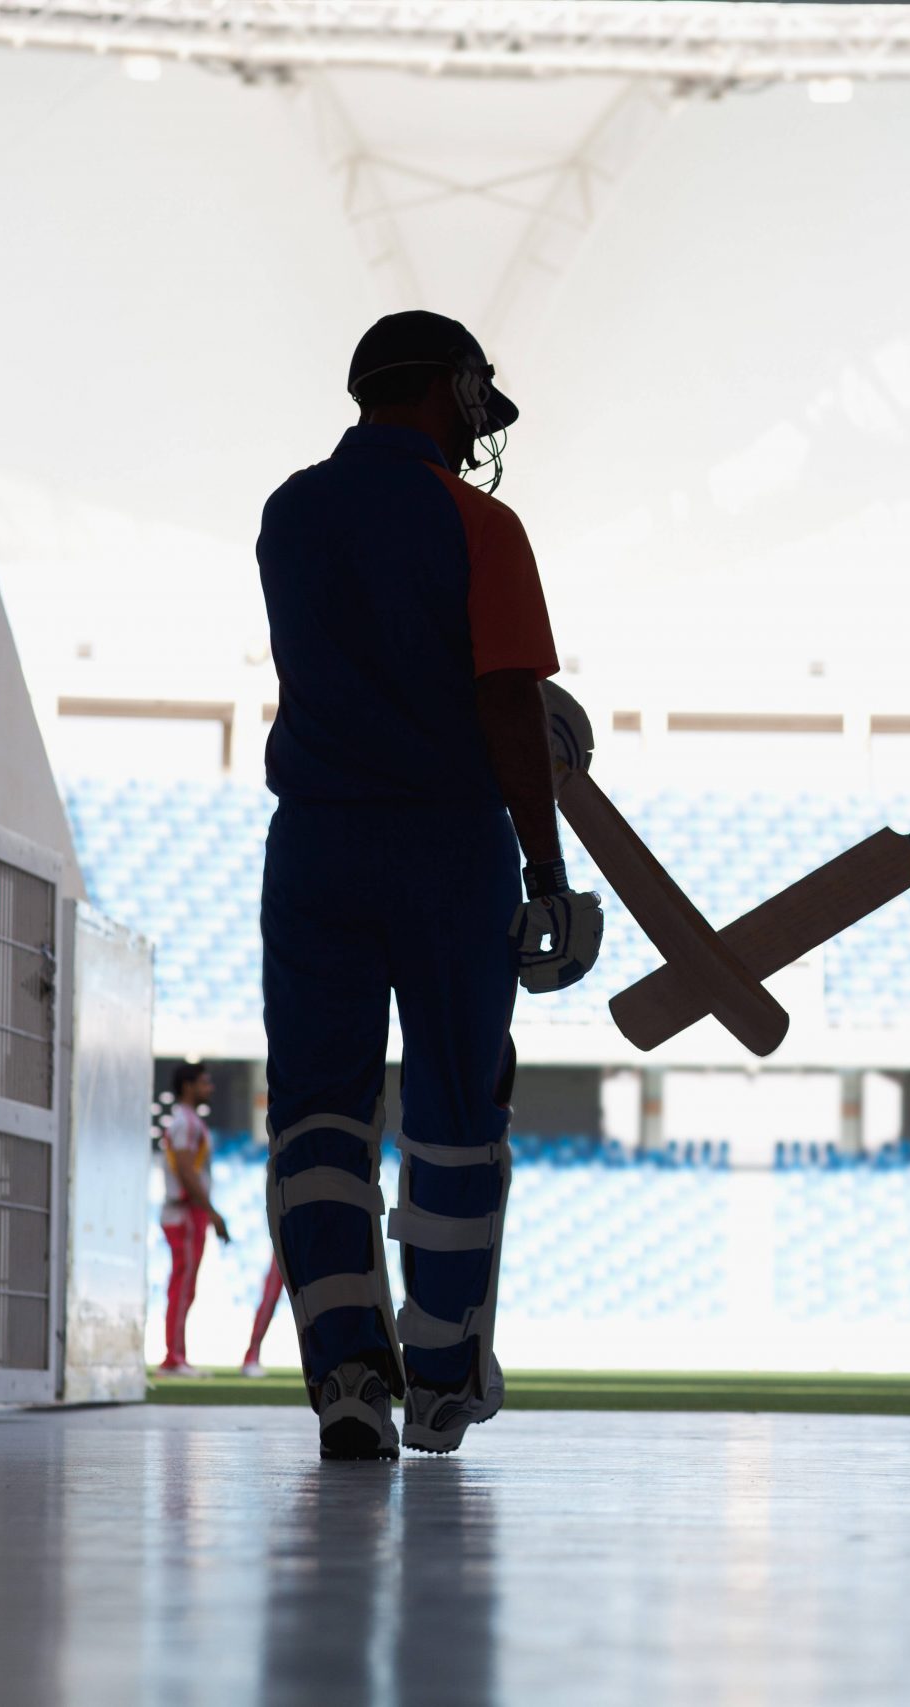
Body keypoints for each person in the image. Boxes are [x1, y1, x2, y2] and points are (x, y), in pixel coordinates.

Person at [256, 310, 603, 1460]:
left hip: (313, 841)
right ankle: (444, 1374)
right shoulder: (481, 524)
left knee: (318, 1113)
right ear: (442, 391)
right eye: (470, 401)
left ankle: (347, 1375)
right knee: (455, 1109)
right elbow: (504, 703)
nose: (475, 426)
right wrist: (546, 869)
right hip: (447, 842)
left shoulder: (289, 514)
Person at [158, 1063, 231, 1375]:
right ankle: (173, 1358)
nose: (210, 1088)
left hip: (187, 1211)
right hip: (185, 1212)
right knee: (183, 1284)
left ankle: (177, 1354)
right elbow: (187, 1171)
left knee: (185, 1284)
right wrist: (212, 1212)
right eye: (204, 1082)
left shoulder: (187, 1122)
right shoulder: (185, 1123)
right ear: (188, 1086)